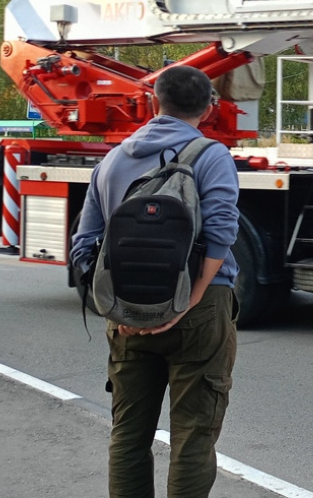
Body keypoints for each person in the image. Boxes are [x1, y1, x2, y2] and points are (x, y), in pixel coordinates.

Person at [70, 65, 241, 498]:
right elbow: (221, 232)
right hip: (200, 311)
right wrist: (188, 300)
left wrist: (114, 308)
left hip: (126, 314)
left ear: (152, 103)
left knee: (128, 435)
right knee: (193, 437)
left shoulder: (113, 159)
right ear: (208, 108)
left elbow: (84, 244)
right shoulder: (211, 155)